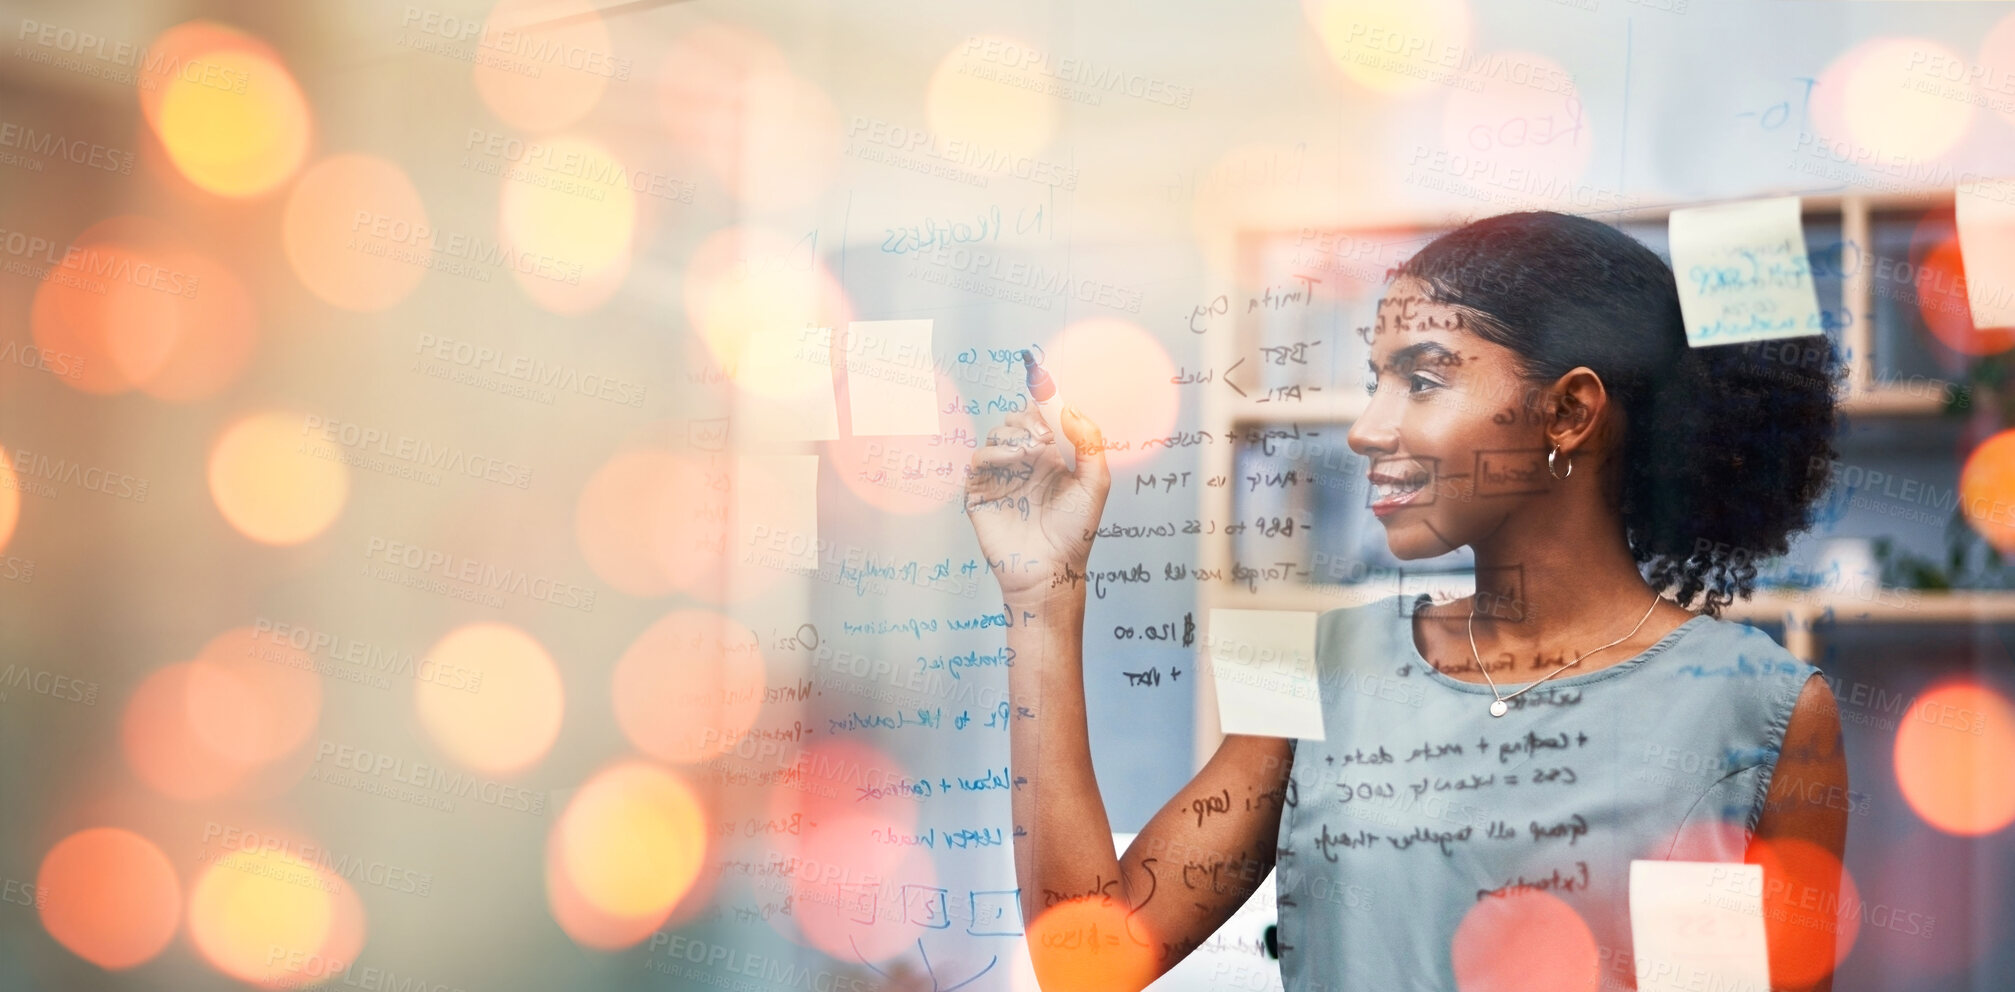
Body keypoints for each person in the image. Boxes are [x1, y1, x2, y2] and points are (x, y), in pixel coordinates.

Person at [962, 210, 1848, 992]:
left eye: (1420, 381)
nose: (1366, 426)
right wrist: (1042, 598)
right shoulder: (1314, 664)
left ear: (1569, 411)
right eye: (1377, 377)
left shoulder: (1761, 710)